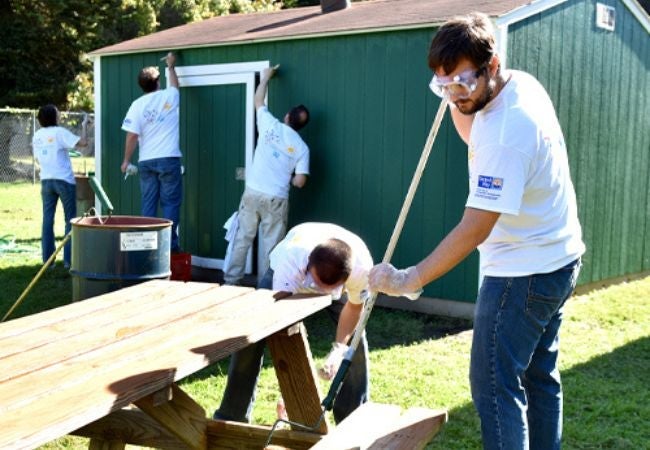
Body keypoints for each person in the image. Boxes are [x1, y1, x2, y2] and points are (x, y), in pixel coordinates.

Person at [368, 12, 585, 450]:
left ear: (493, 64)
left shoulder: (508, 131)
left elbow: (476, 226)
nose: (454, 95)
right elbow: (472, 129)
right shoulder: (518, 84)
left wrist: (410, 279)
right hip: (559, 258)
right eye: (443, 85)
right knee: (538, 376)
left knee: (494, 386)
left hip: (522, 274)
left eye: (463, 82)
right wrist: (458, 95)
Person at [215, 222, 372, 424]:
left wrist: (339, 349)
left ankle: (352, 419)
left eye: (327, 288)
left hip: (335, 271)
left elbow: (354, 309)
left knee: (356, 341)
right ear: (308, 265)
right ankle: (232, 416)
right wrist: (290, 394)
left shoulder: (362, 269)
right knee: (250, 339)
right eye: (316, 283)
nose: (319, 290)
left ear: (345, 279)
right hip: (287, 279)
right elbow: (285, 330)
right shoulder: (290, 261)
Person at [223, 65, 310, 286]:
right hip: (276, 199)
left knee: (242, 239)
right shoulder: (301, 148)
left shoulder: (270, 125)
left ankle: (231, 282)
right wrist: (288, 177)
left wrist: (265, 79)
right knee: (272, 247)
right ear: (302, 126)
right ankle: (266, 288)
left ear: (287, 116)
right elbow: (300, 182)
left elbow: (258, 101)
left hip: (253, 192)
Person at [121, 52, 183, 252]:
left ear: (141, 85)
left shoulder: (137, 105)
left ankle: (146, 248)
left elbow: (131, 136)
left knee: (148, 205)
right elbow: (175, 85)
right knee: (170, 204)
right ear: (157, 82)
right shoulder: (168, 96)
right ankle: (169, 248)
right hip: (169, 159)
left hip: (146, 161)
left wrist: (125, 160)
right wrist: (171, 66)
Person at [32, 105, 88, 269]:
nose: (60, 116)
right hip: (64, 180)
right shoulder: (59, 132)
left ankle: (48, 262)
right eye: (58, 114)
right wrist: (84, 126)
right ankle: (68, 260)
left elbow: (37, 158)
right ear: (53, 117)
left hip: (46, 180)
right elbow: (83, 143)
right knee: (70, 219)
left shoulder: (37, 135)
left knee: (47, 220)